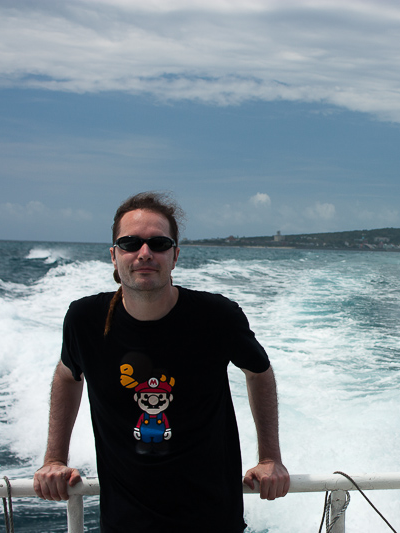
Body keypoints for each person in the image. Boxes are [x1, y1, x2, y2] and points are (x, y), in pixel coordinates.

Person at [33, 192, 289, 531]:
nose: (144, 253)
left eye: (158, 243)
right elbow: (67, 375)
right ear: (114, 256)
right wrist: (54, 458)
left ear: (175, 255)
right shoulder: (85, 320)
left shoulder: (216, 317)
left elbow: (259, 372)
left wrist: (270, 457)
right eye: (130, 243)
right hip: (124, 522)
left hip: (212, 519)